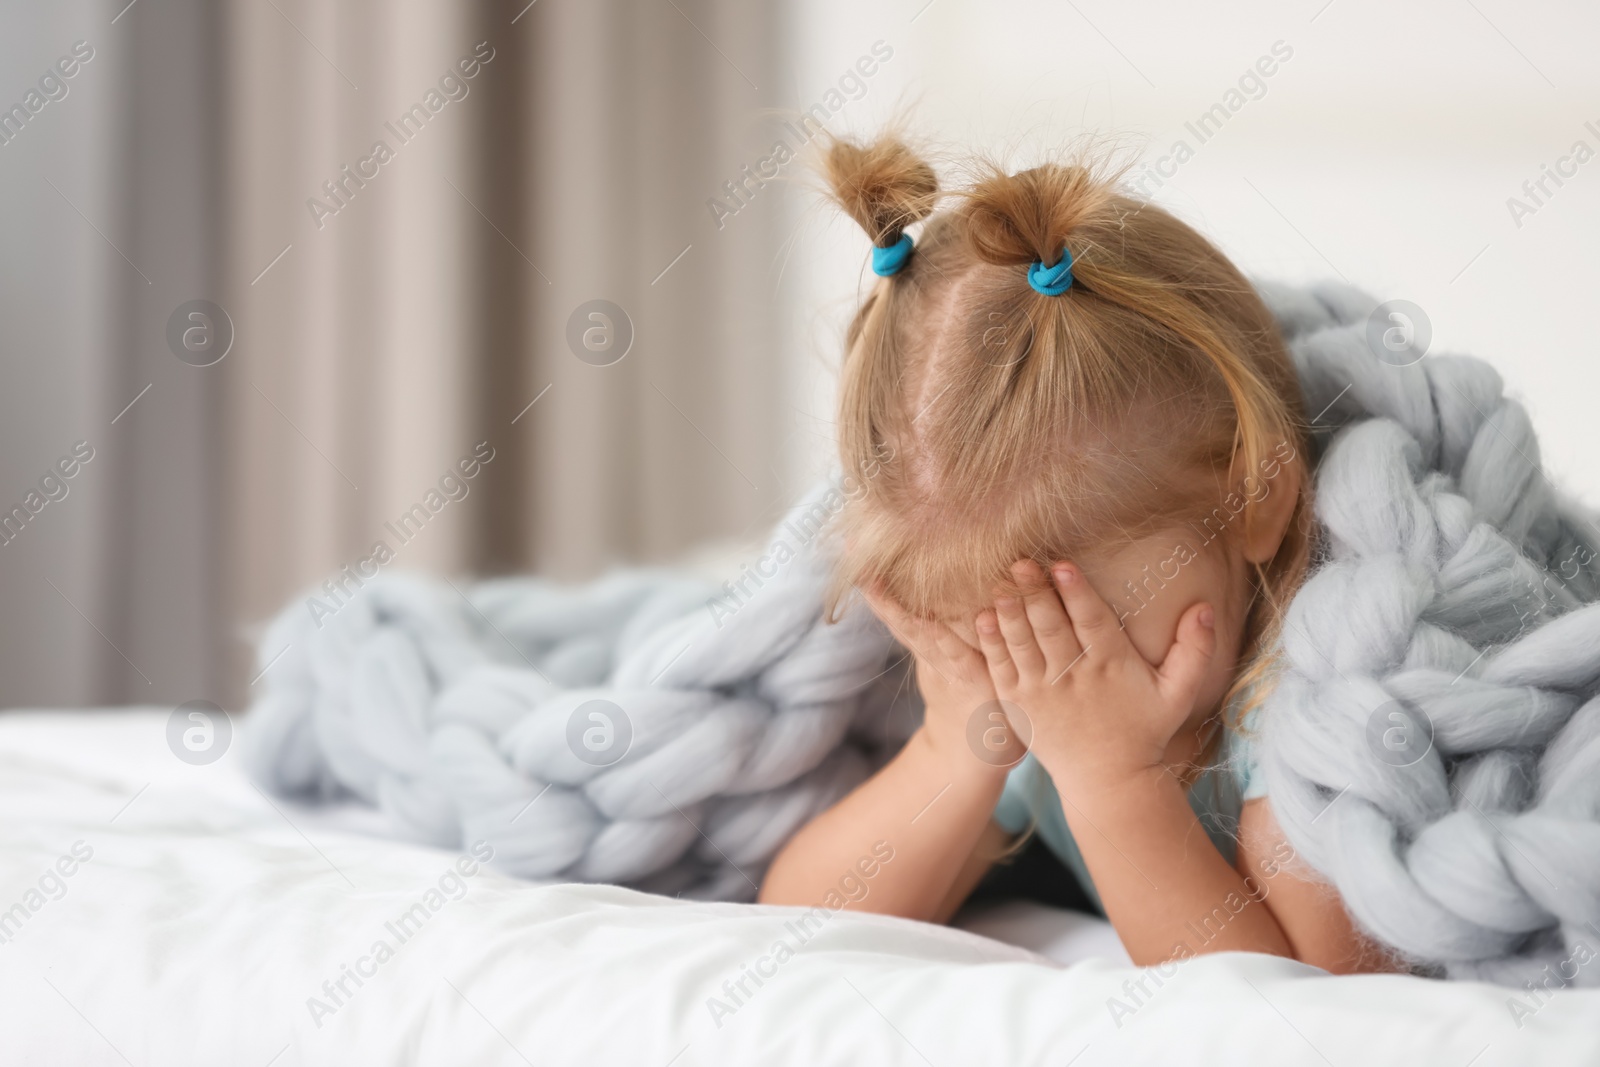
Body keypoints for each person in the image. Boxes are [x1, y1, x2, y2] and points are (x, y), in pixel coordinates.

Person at [759, 133, 1398, 973]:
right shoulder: (1034, 696)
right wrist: (953, 746)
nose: (1043, 672)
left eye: (1079, 622)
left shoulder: (1304, 709)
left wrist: (1117, 786)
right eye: (989, 637)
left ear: (1256, 501)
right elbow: (796, 923)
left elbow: (1315, 1003)